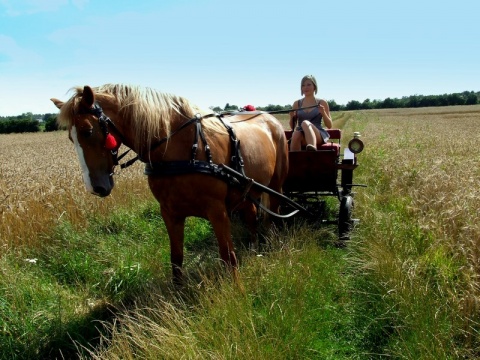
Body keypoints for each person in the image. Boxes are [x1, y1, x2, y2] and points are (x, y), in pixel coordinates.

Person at [289, 75, 333, 151]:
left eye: (309, 85)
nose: (306, 87)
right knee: (296, 134)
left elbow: (329, 125)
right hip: (301, 133)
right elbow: (292, 126)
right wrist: (291, 117)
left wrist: (323, 113)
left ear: (314, 87)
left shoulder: (322, 102)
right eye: (303, 85)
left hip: (318, 134)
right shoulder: (296, 103)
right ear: (301, 88)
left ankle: (312, 149)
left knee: (305, 123)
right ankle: (295, 161)